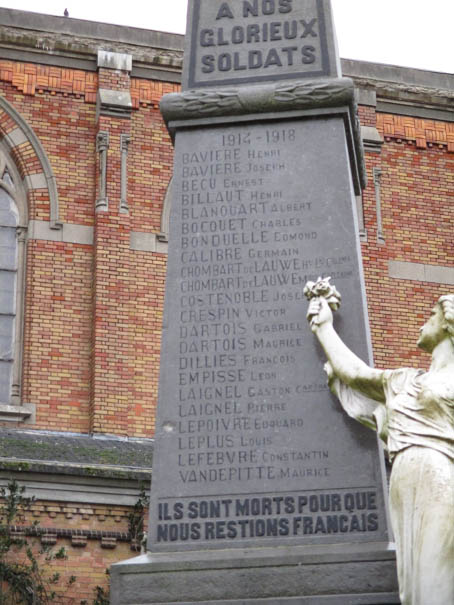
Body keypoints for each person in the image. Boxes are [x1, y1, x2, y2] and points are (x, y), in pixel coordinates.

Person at [306, 289, 454, 605]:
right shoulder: (403, 379)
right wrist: (324, 326)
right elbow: (355, 374)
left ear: (449, 324)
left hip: (440, 477)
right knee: (411, 586)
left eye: (431, 315)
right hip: (403, 480)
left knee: (434, 577)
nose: (422, 322)